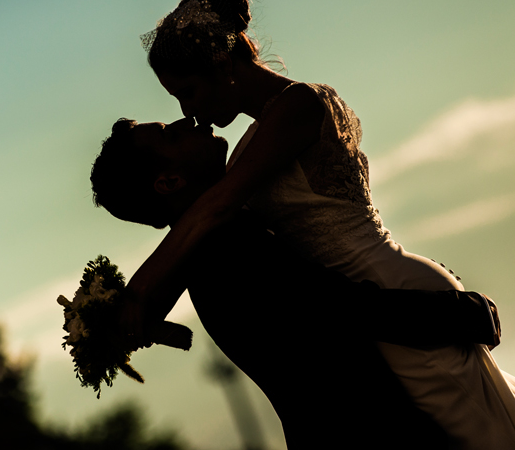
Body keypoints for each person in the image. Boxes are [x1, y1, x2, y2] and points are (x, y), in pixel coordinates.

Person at [120, 0, 515, 448]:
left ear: (222, 65)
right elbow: (205, 234)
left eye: (186, 91)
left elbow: (216, 208)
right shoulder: (249, 149)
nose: (189, 111)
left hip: (394, 295)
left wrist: (138, 289)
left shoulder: (297, 106)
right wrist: (133, 316)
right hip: (380, 303)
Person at [89, 117, 500, 449]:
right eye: (169, 134)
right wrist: (463, 312)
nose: (187, 119)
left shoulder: (216, 243)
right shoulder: (226, 253)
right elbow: (343, 309)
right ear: (170, 182)